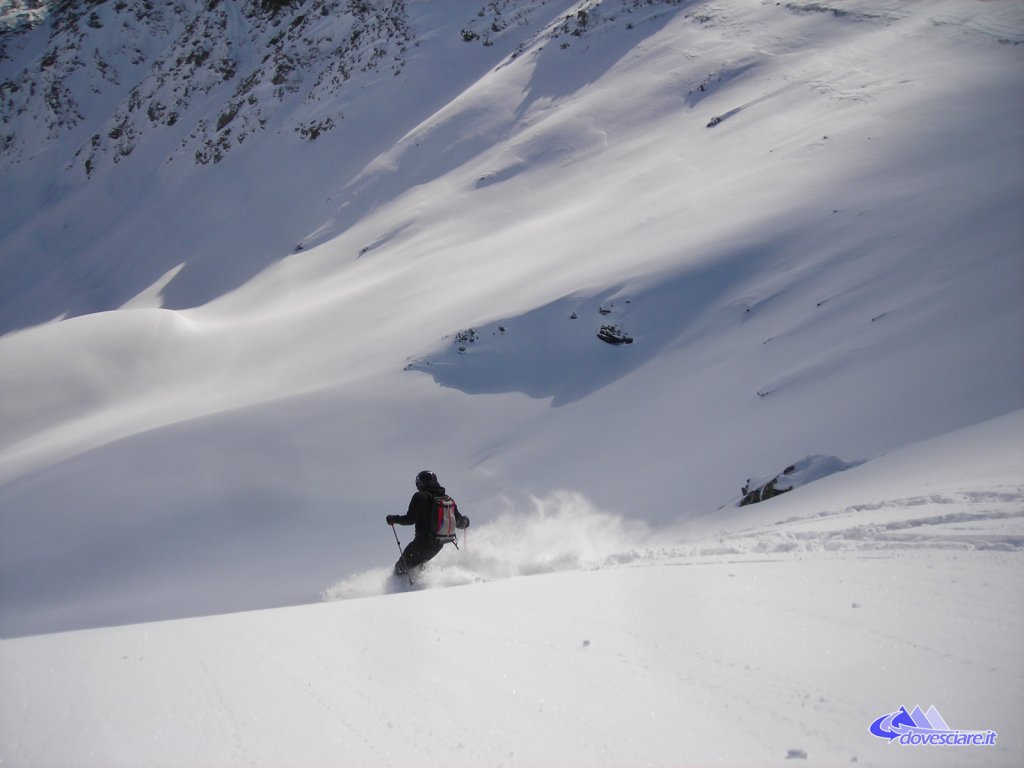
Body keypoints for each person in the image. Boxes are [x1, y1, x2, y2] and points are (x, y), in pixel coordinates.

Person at [386, 470, 469, 576]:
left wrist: (393, 519)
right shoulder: (447, 499)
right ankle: (423, 587)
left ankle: (405, 591)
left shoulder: (420, 496)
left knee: (400, 569)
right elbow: (459, 523)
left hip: (421, 544)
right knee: (416, 567)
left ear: (421, 483)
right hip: (437, 545)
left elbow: (410, 519)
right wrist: (466, 521)